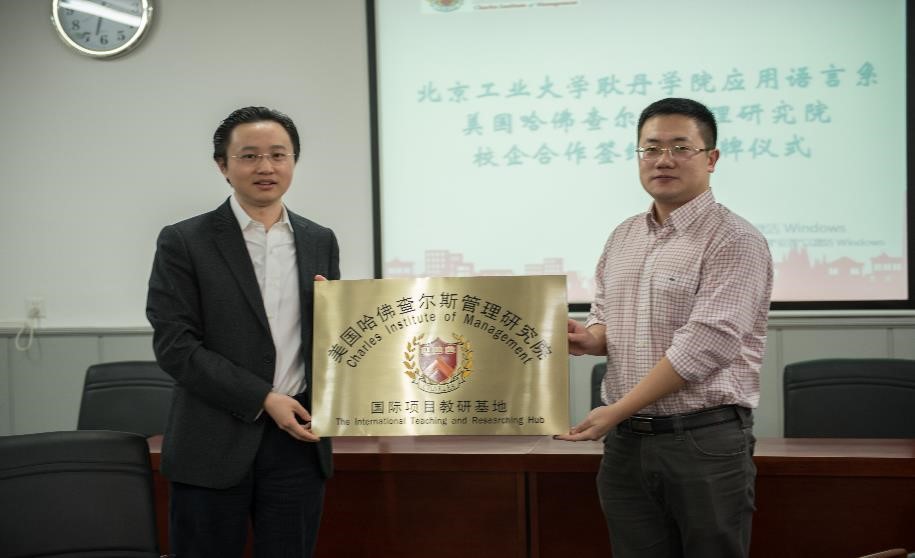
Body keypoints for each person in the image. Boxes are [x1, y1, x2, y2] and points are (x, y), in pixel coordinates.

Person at [558, 97, 773, 558]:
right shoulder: (624, 236)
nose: (663, 160)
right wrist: (590, 339)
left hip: (703, 442)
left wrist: (615, 411)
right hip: (627, 445)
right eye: (651, 148)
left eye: (680, 147)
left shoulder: (735, 239)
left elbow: (705, 346)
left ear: (711, 158)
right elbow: (607, 318)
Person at [146, 106, 339, 557]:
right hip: (211, 442)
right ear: (223, 166)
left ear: (293, 161)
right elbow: (176, 346)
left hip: (298, 441)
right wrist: (263, 398)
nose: (266, 167)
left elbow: (328, 339)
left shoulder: (319, 239)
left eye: (279, 154)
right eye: (249, 156)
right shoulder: (185, 240)